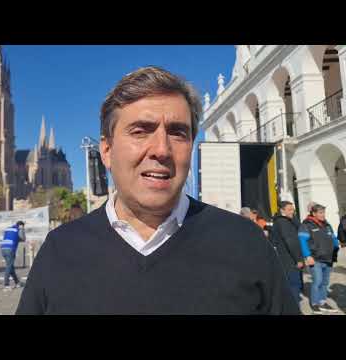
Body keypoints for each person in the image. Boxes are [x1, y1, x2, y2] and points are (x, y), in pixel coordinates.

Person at [16, 66, 299, 315]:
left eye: (178, 132)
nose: (162, 150)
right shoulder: (60, 249)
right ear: (106, 150)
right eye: (140, 131)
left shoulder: (245, 243)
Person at [298, 204, 340, 314]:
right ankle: (315, 304)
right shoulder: (306, 225)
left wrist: (336, 246)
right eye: (320, 213)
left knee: (325, 282)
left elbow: (333, 237)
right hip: (315, 259)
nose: (323, 215)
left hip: (328, 258)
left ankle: (322, 302)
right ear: (314, 213)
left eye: (323, 212)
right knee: (317, 281)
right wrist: (307, 256)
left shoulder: (326, 224)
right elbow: (302, 241)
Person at [270, 201, 303, 305]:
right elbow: (290, 241)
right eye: (289, 209)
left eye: (293, 209)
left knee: (290, 285)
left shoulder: (283, 221)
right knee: (294, 285)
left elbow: (300, 227)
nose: (292, 212)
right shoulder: (283, 222)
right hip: (289, 260)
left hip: (285, 259)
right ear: (282, 210)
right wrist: (298, 259)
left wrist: (293, 218)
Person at [1, 221, 25, 291]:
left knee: (10, 266)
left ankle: (17, 282)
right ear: (20, 225)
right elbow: (23, 238)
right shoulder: (19, 229)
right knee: (9, 267)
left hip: (3, 248)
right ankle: (6, 285)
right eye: (23, 226)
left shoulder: (8, 229)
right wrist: (22, 230)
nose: (23, 228)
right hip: (10, 249)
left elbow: (9, 237)